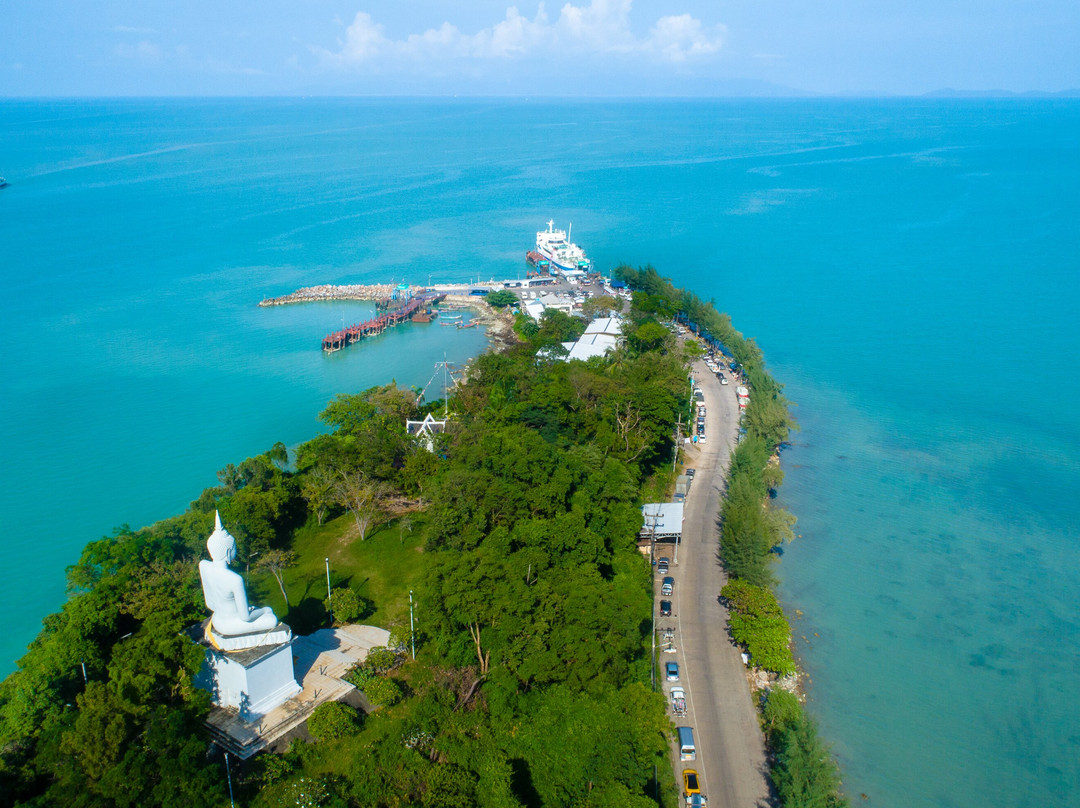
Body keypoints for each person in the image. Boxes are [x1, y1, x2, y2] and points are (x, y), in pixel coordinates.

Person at [198, 511, 279, 636]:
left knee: (254, 610)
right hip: (231, 624)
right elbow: (246, 617)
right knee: (272, 619)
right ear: (228, 551)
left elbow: (210, 603)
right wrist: (264, 611)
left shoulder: (204, 565)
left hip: (217, 618)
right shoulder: (234, 579)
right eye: (234, 548)